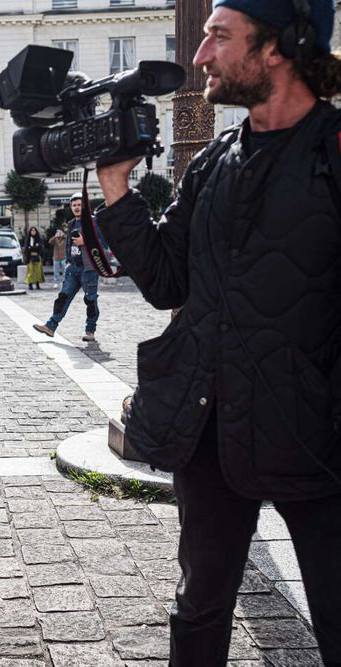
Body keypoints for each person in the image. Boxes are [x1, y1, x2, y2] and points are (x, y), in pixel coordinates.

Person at [95, 0, 341, 663]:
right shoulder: (214, 162)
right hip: (212, 432)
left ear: (277, 49)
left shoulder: (335, 151)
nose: (201, 57)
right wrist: (118, 190)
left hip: (317, 444)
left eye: (218, 38)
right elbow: (166, 280)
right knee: (198, 610)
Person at [32, 192, 99, 342]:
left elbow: (102, 242)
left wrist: (85, 241)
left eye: (79, 205)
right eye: (74, 205)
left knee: (90, 300)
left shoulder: (94, 222)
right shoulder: (71, 223)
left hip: (89, 269)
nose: (76, 208)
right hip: (73, 268)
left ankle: (90, 331)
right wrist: (68, 262)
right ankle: (51, 326)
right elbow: (68, 244)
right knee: (63, 297)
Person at [23, 226, 44, 290]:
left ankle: (37, 284)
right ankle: (30, 284)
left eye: (34, 230)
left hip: (37, 257)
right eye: (32, 230)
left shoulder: (38, 239)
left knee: (38, 271)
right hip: (30, 257)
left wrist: (32, 248)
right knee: (30, 271)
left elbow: (40, 248)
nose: (33, 232)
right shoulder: (28, 239)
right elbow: (27, 248)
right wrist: (33, 248)